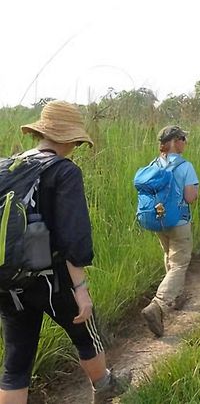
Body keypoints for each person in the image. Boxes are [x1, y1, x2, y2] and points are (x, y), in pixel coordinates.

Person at [0, 101, 129, 404]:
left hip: (8, 276)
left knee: (16, 360)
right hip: (52, 276)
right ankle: (104, 384)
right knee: (85, 331)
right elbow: (73, 236)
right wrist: (81, 290)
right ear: (70, 138)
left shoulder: (8, 166)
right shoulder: (64, 171)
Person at [141, 125, 199, 337]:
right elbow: (191, 197)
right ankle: (158, 305)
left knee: (168, 255)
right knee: (180, 263)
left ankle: (174, 295)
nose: (185, 141)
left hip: (158, 220)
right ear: (175, 141)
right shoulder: (185, 166)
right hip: (179, 221)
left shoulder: (153, 164)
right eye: (183, 138)